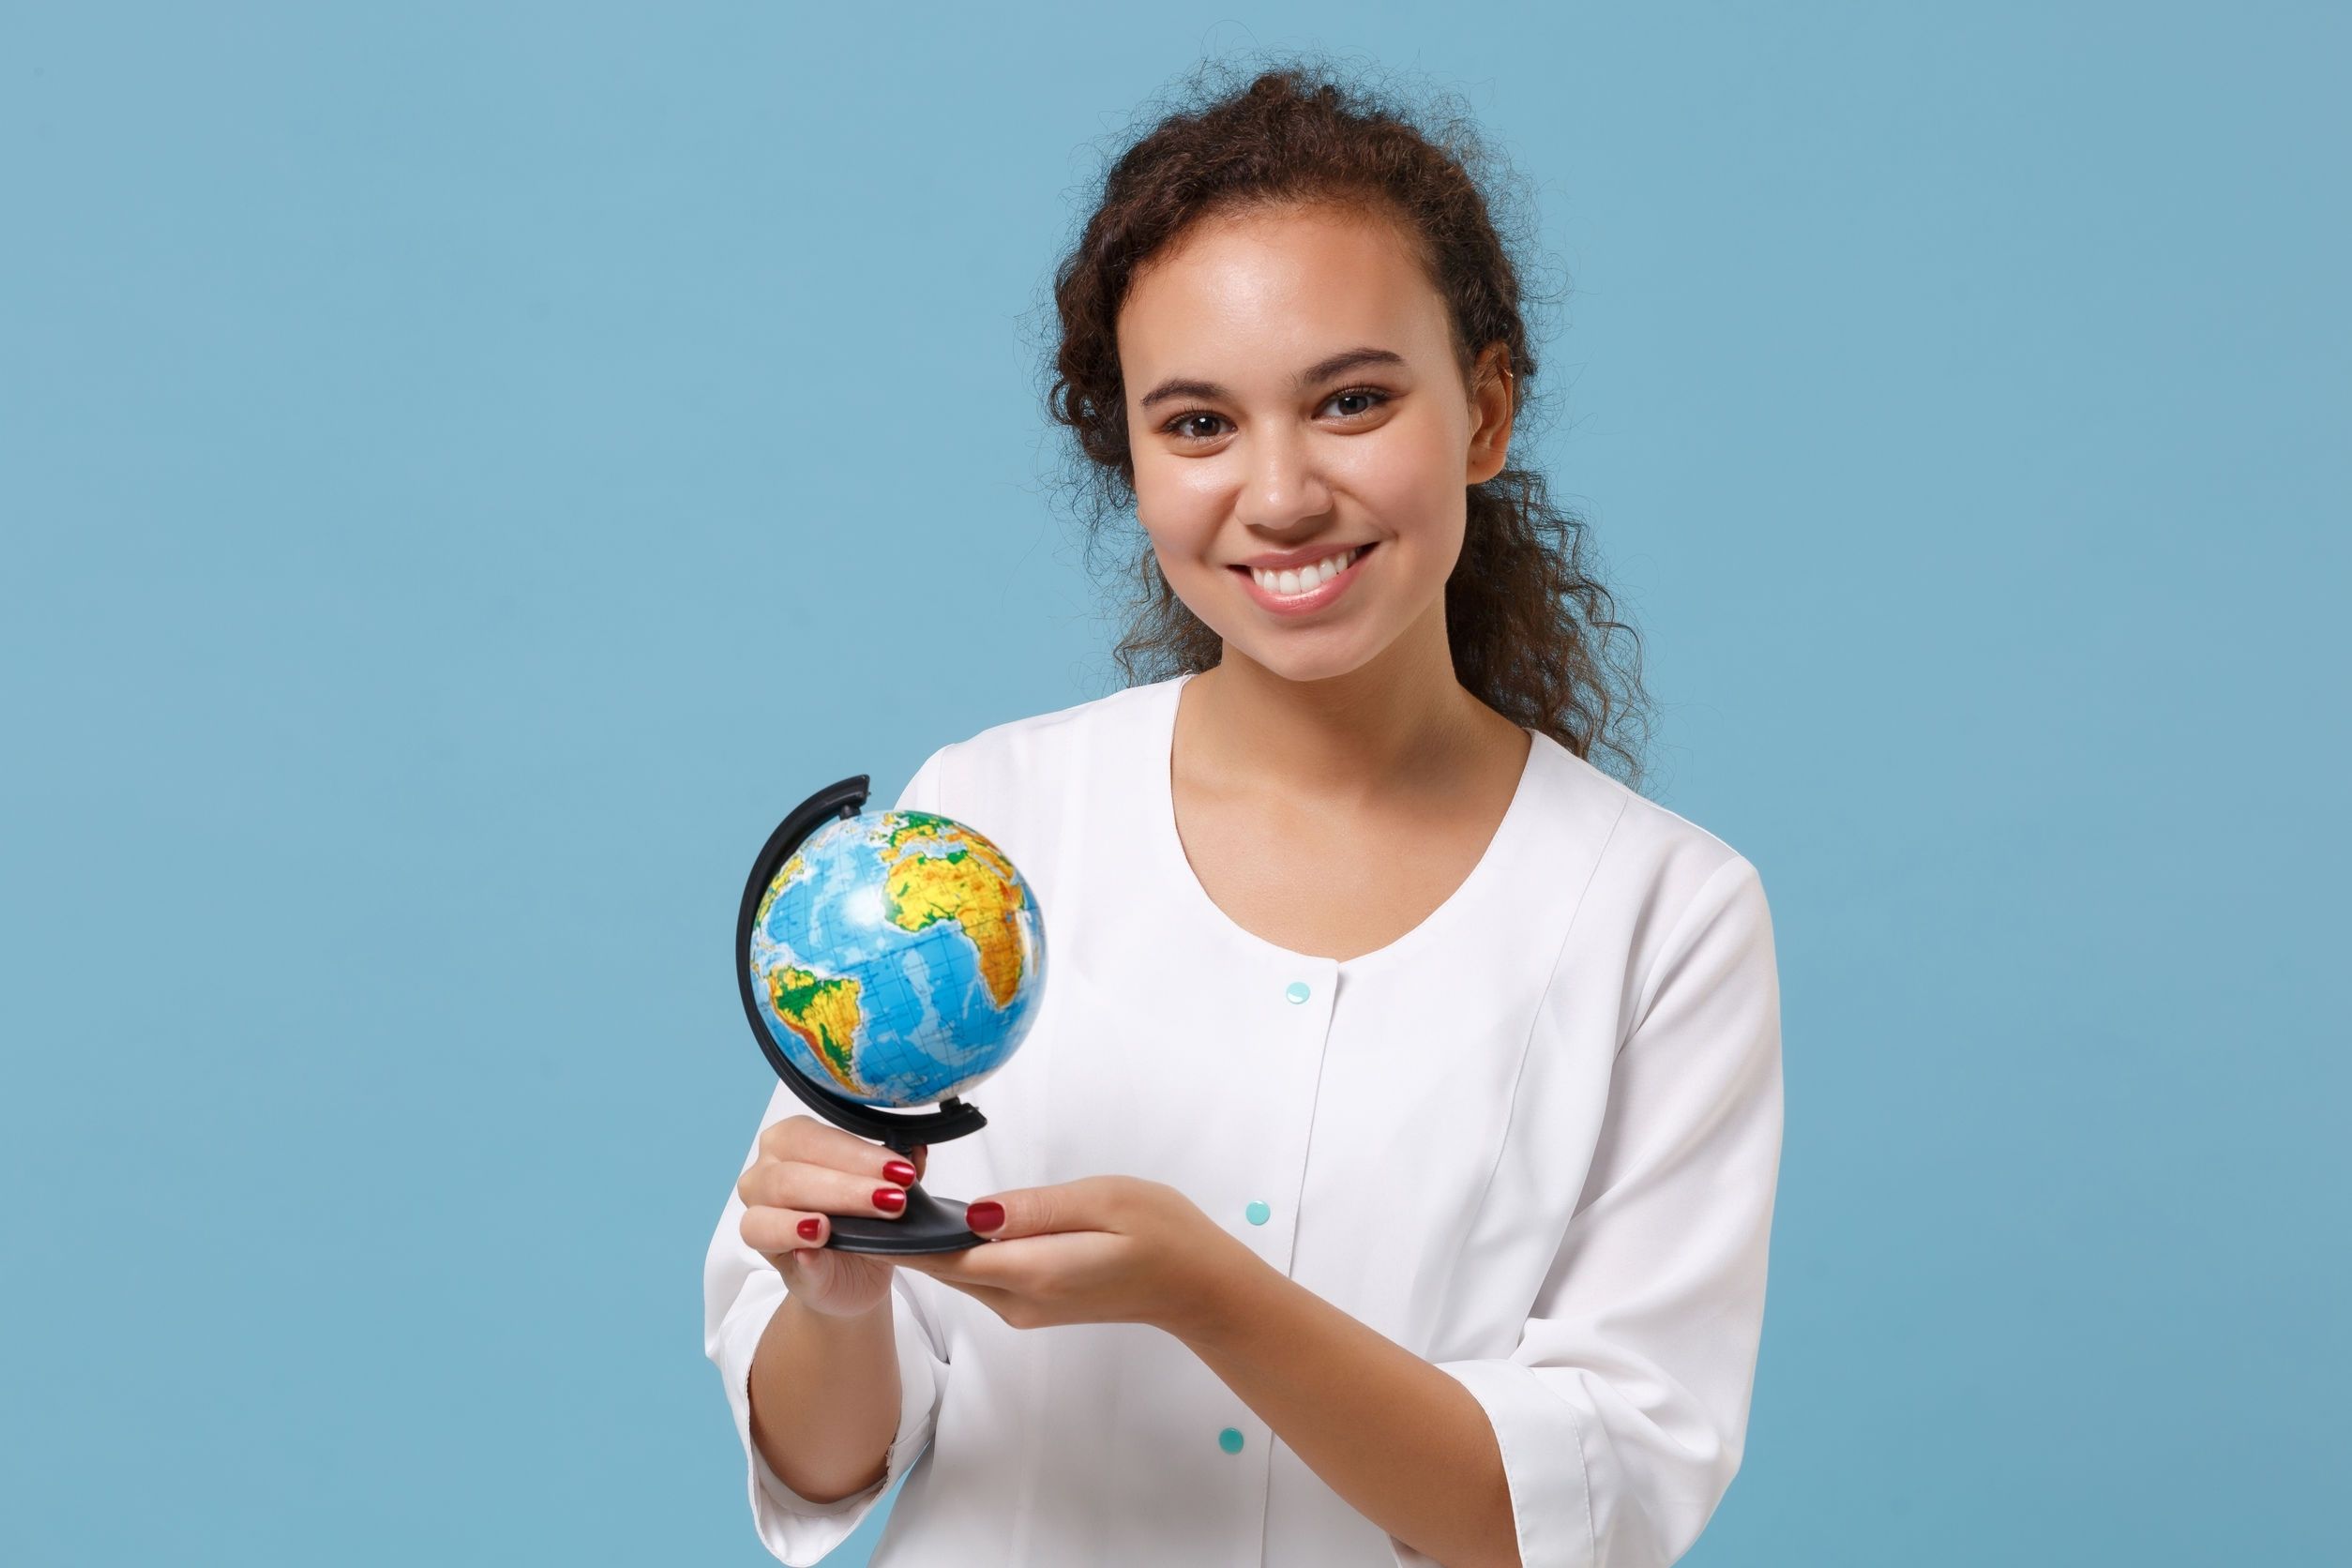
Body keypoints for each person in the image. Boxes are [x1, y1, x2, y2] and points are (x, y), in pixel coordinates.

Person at [703, 57, 1784, 1568]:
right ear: (1131, 460)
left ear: (1482, 412)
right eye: (1198, 424)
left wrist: (1208, 1290)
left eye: (1350, 400)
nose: (1278, 495)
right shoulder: (977, 832)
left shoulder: (1666, 915)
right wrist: (837, 1292)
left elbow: (1584, 1518)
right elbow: (824, 1470)